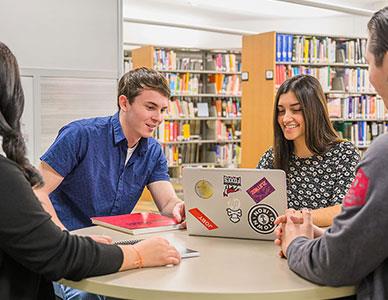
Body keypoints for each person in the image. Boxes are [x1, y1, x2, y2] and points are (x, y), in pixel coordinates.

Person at [0, 41, 181, 300]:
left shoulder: (152, 151)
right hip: (70, 247)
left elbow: (167, 201)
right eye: (150, 107)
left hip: (112, 245)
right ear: (124, 103)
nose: (158, 118)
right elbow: (39, 191)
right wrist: (63, 237)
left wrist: (177, 208)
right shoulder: (80, 135)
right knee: (89, 297)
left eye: (163, 110)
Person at [276, 6, 388, 299]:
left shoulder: (380, 155)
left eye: (367, 62)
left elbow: (337, 262)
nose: (369, 76)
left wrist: (296, 244)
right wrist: (325, 236)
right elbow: (367, 237)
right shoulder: (273, 156)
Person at [257, 74, 360, 227]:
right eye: (280, 111)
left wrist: (294, 218)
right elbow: (255, 199)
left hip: (323, 246)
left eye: (296, 110)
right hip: (275, 245)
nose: (285, 119)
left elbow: (344, 210)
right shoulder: (272, 157)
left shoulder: (344, 155)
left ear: (315, 111)